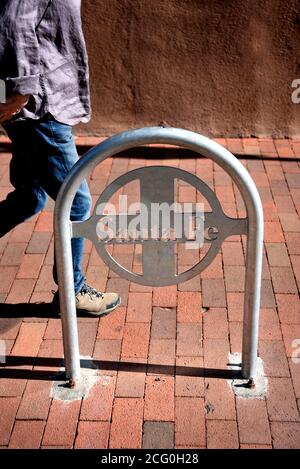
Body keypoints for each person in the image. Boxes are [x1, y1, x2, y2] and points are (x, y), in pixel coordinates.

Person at [0, 0, 121, 316]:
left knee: (30, 196)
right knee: (76, 201)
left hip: (37, 101)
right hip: (40, 105)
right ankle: (72, 289)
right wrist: (21, 89)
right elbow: (14, 21)